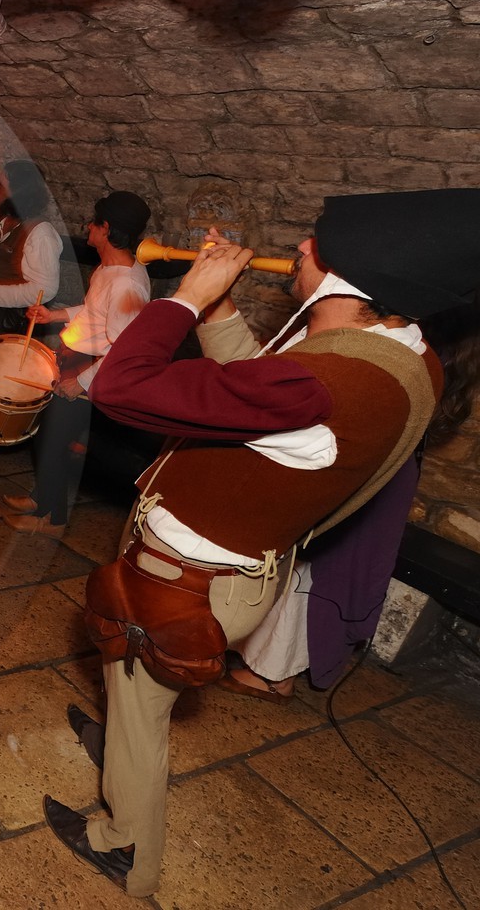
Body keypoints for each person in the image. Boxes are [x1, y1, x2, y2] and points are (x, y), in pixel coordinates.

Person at [45, 189, 480, 899]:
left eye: (317, 246)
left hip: (186, 579)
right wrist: (223, 310)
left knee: (141, 713)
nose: (302, 250)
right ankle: (122, 739)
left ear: (347, 283)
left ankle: (124, 845)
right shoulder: (404, 356)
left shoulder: (320, 382)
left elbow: (121, 387)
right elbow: (261, 390)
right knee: (134, 699)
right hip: (236, 566)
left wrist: (185, 298)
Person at [223, 298, 480, 701]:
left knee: (314, 562)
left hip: (376, 457)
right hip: (388, 456)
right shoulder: (442, 348)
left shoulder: (418, 346)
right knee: (303, 555)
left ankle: (272, 673)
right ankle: (257, 652)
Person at [3, 191, 152, 537]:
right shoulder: (110, 268)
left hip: (91, 372)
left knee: (52, 442)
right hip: (77, 363)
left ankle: (51, 520)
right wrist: (51, 315)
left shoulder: (129, 283)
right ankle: (41, 498)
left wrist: (81, 383)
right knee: (48, 438)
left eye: (94, 221)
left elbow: (122, 349)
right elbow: (93, 312)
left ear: (107, 229)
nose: (88, 226)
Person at [0, 159, 68, 352]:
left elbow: (45, 289)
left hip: (10, 323)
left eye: (0, 184)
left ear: (19, 192)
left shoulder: (40, 234)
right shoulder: (0, 222)